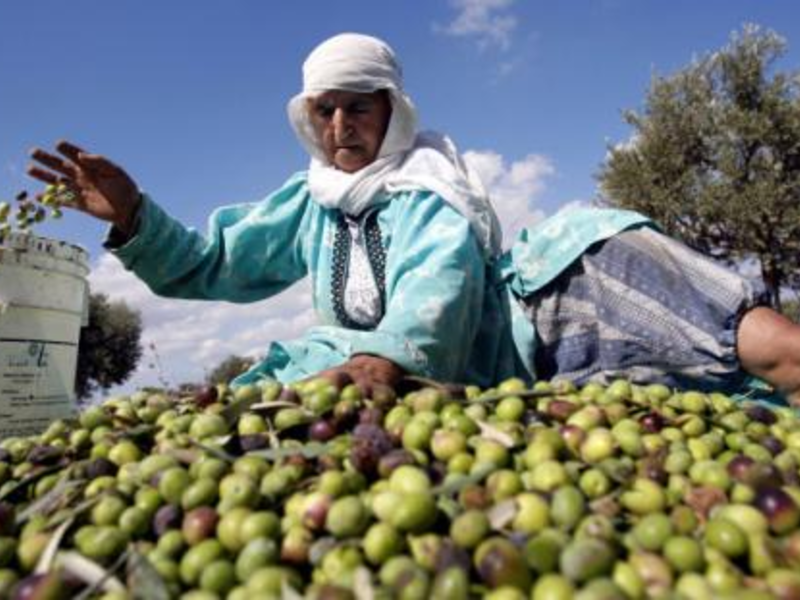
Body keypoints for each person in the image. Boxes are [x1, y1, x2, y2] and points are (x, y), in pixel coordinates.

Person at [27, 33, 800, 406]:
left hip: (567, 293)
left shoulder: (430, 186)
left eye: (356, 107)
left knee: (771, 351)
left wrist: (389, 357)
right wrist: (133, 215)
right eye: (324, 111)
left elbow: (442, 279)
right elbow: (215, 263)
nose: (339, 127)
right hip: (517, 374)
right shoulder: (312, 201)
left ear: (391, 111)